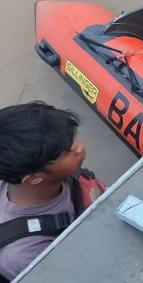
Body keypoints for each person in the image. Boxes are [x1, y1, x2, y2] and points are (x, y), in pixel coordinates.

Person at [0, 102, 104, 282]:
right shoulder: (25, 255)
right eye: (66, 151)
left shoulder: (52, 174)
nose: (79, 147)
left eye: (72, 139)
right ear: (34, 179)